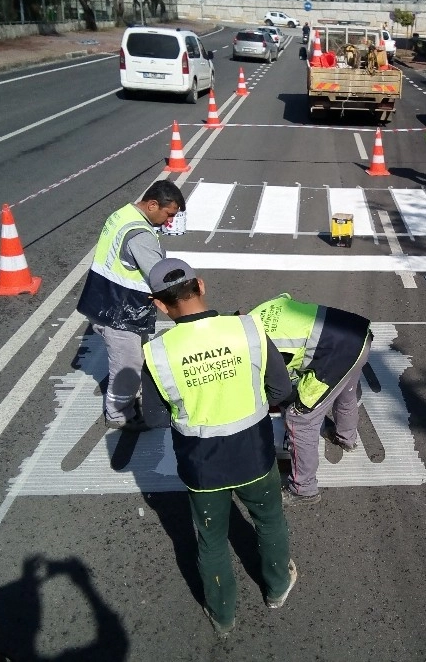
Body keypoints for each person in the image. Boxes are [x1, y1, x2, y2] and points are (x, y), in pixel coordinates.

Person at [142, 259, 297, 637]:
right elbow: (282, 391)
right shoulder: (248, 328)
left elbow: (156, 419)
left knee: (211, 539)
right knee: (269, 521)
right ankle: (276, 589)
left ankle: (222, 614)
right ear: (201, 285)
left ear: (160, 305)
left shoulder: (157, 353)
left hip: (201, 466)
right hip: (255, 456)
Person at [76, 181, 185, 432]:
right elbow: (160, 275)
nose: (168, 221)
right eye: (168, 214)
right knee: (129, 365)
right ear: (152, 204)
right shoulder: (141, 236)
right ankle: (118, 413)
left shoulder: (122, 215)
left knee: (134, 358)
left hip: (103, 300)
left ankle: (126, 402)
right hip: (121, 310)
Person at [249, 293, 372, 506]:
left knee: (300, 419)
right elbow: (286, 298)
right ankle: (346, 438)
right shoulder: (258, 312)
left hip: (335, 353)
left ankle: (303, 489)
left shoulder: (256, 349)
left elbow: (281, 388)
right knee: (345, 392)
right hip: (358, 335)